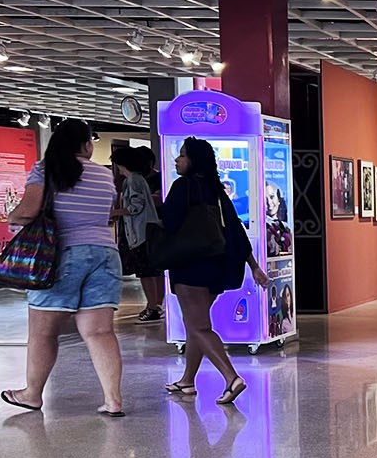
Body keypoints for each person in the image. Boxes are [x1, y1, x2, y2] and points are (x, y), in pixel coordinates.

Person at [0, 119, 126, 417]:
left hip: (60, 255)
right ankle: (113, 399)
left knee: (43, 333)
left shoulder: (45, 169)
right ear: (86, 145)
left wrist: (10, 217)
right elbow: (107, 214)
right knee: (100, 332)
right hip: (105, 253)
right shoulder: (104, 175)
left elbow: (29, 210)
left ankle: (31, 394)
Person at [161, 137, 270, 405]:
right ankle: (187, 380)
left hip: (189, 266)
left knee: (197, 326)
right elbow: (235, 230)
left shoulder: (182, 187)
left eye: (182, 155)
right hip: (216, 267)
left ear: (193, 160)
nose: (177, 160)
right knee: (196, 324)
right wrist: (254, 266)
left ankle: (232, 378)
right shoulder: (217, 191)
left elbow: (169, 222)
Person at [114, 146, 165, 323]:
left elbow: (136, 206)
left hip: (140, 233)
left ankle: (152, 307)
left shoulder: (133, 181)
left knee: (146, 273)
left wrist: (116, 213)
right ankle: (155, 305)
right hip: (146, 231)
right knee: (152, 272)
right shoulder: (138, 179)